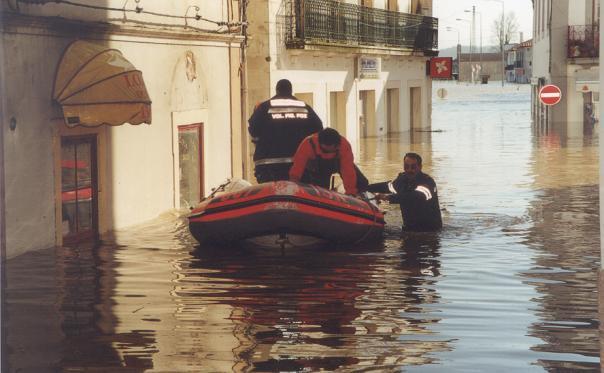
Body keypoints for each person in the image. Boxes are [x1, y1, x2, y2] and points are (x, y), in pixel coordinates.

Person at [248, 79, 323, 183]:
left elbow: (253, 130)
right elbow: (318, 129)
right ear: (291, 90)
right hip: (298, 163)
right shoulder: (304, 107)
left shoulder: (264, 107)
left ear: (277, 90)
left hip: (268, 163)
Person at [367, 153, 442, 231]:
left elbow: (413, 197)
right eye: (406, 167)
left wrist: (387, 197)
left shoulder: (427, 182)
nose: (409, 170)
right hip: (408, 228)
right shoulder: (402, 180)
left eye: (413, 167)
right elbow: (388, 186)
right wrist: (366, 187)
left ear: (420, 167)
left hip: (429, 231)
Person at [289, 128, 368, 195]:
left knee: (361, 183)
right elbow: (297, 170)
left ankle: (363, 196)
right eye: (324, 150)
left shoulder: (344, 145)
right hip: (317, 169)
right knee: (321, 191)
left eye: (330, 151)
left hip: (337, 165)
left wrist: (351, 193)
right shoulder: (308, 144)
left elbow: (348, 170)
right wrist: (293, 190)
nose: (327, 153)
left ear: (337, 145)